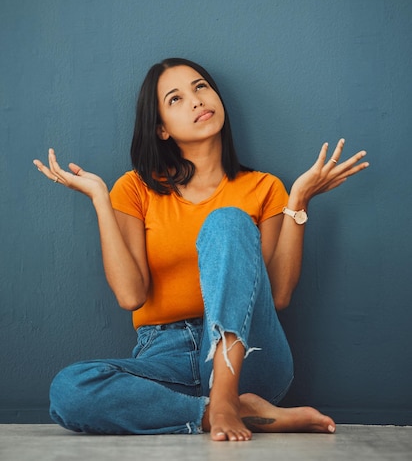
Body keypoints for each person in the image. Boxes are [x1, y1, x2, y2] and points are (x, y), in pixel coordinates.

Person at [33, 58, 369, 441]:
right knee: (69, 390)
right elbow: (130, 295)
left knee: (228, 220)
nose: (195, 101)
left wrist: (299, 201)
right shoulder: (134, 188)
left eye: (200, 87)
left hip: (250, 359)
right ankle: (226, 412)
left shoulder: (264, 188)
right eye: (175, 99)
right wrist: (99, 199)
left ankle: (226, 396)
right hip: (165, 357)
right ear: (160, 128)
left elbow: (277, 295)